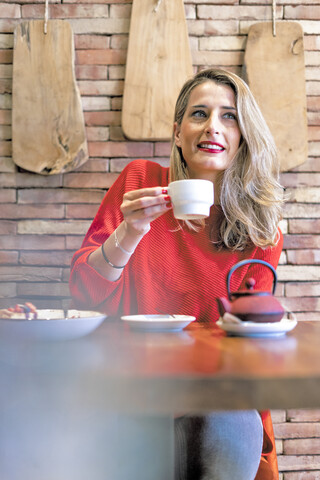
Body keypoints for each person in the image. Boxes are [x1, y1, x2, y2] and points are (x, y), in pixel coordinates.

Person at [70, 68, 284, 480]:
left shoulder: (259, 231)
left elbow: (247, 330)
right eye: (199, 114)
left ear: (243, 136)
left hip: (214, 392)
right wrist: (130, 231)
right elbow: (84, 295)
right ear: (177, 132)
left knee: (234, 423)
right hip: (131, 388)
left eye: (229, 116)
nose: (212, 127)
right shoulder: (139, 182)